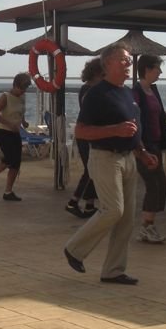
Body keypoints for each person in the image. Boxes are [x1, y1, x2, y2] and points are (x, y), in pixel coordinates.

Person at [62, 44, 158, 286]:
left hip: (129, 158)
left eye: (129, 60)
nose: (129, 64)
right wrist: (114, 130)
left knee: (126, 219)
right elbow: (81, 131)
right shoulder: (96, 94)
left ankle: (113, 271)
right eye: (124, 60)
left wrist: (142, 153)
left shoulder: (126, 93)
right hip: (105, 158)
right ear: (108, 64)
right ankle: (74, 249)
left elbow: (132, 129)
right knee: (113, 210)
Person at [131, 54, 166, 244]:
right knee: (153, 184)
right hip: (144, 146)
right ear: (147, 70)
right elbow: (133, 118)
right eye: (157, 68)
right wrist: (139, 148)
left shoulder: (153, 90)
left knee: (161, 184)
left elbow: (157, 115)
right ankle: (147, 227)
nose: (160, 72)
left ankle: (148, 224)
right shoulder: (136, 92)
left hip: (156, 144)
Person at [65, 58, 104, 219]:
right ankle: (73, 201)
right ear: (97, 73)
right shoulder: (90, 90)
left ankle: (89, 205)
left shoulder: (88, 89)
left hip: (88, 133)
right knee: (91, 169)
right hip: (87, 135)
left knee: (94, 170)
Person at [0, 72, 32, 201]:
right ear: (15, 85)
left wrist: (23, 122)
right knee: (10, 157)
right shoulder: (5, 97)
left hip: (15, 132)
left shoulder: (22, 97)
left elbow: (20, 111)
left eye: (25, 89)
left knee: (16, 162)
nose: (23, 91)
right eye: (21, 88)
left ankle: (8, 191)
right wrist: (9, 124)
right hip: (3, 131)